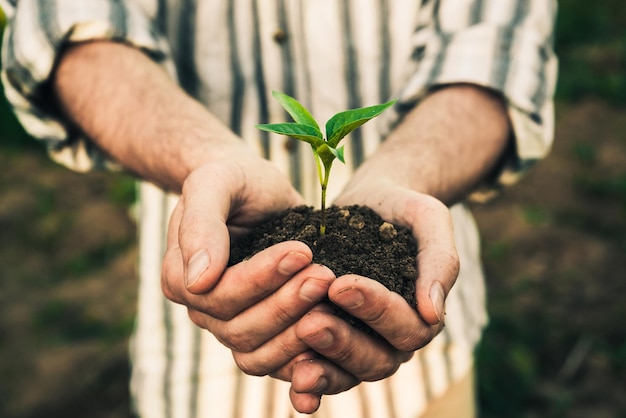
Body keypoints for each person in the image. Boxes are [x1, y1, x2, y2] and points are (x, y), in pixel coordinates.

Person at [1, 0, 557, 417]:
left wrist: (402, 175)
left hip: (419, 363)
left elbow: (498, 48)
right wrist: (207, 159)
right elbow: (62, 24)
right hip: (200, 370)